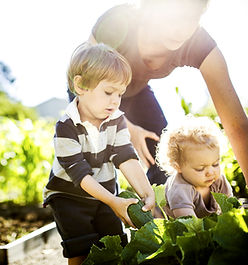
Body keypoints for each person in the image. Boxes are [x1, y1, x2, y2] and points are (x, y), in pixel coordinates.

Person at [73, 0, 248, 185]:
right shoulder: (117, 24)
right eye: (173, 17)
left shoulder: (199, 43)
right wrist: (125, 126)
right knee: (91, 158)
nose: (182, 30)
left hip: (136, 92)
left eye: (192, 18)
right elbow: (85, 85)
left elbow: (237, 127)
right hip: (88, 92)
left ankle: (165, 208)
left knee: (163, 156)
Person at [43, 42, 155, 265]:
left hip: (105, 193)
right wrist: (113, 201)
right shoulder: (65, 127)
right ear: (81, 85)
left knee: (114, 244)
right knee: (80, 249)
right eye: (108, 92)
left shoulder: (117, 120)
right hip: (69, 197)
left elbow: (125, 156)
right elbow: (80, 174)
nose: (115, 100)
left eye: (120, 94)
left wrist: (146, 191)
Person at [156, 116, 233, 218]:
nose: (211, 172)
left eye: (215, 164)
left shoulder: (218, 180)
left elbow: (232, 209)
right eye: (200, 169)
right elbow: (189, 226)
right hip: (182, 228)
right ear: (178, 167)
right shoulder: (179, 189)